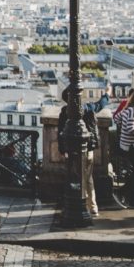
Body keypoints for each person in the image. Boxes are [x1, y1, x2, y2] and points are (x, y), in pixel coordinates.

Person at [57, 87, 99, 215]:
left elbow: (60, 133)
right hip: (88, 149)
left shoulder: (65, 113)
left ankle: (76, 204)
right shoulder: (88, 109)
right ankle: (92, 206)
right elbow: (100, 105)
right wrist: (107, 94)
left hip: (71, 151)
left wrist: (62, 149)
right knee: (88, 178)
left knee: (73, 177)